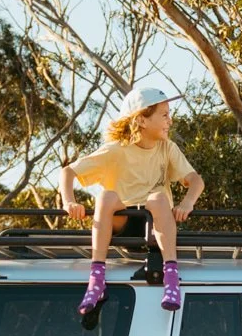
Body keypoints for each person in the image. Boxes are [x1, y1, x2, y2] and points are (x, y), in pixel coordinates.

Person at [59, 85, 204, 315]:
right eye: (164, 115)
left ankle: (171, 276)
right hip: (122, 226)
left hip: (156, 229)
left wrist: (188, 202)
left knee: (157, 199)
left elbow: (195, 180)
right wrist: (69, 202)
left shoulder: (167, 148)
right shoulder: (115, 150)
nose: (170, 120)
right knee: (106, 196)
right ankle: (96, 279)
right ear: (142, 120)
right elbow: (68, 172)